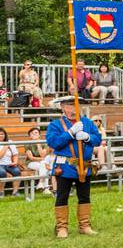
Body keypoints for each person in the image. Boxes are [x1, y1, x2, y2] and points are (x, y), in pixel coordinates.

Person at [45, 97, 103, 236]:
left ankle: (84, 225)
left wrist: (87, 137)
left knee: (84, 196)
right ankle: (62, 228)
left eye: (76, 105)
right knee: (62, 196)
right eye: (70, 106)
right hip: (65, 166)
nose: (74, 108)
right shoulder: (55, 124)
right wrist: (70, 133)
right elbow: (54, 143)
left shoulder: (87, 123)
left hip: (84, 166)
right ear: (63, 107)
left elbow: (98, 139)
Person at [0, 129, 21, 196]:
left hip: (9, 164)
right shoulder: (7, 143)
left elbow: (15, 154)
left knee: (17, 172)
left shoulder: (10, 142)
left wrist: (14, 162)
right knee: (2, 173)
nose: (1, 135)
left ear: (5, 135)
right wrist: (6, 145)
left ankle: (15, 192)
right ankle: (1, 192)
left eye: (2, 134)